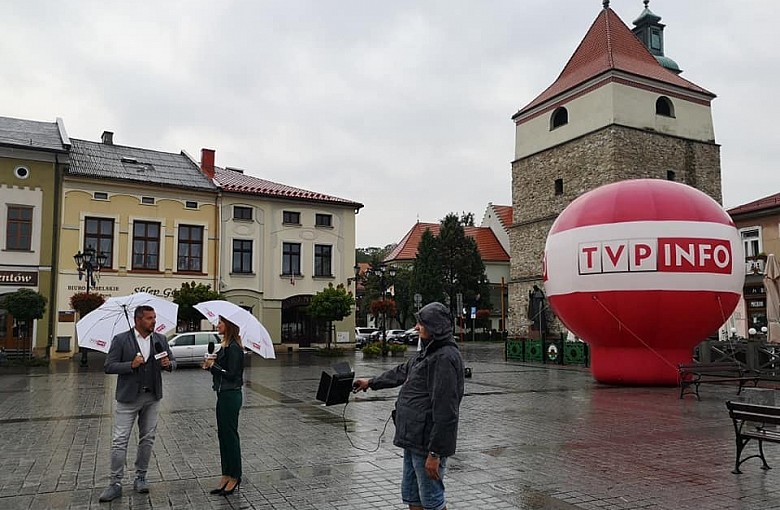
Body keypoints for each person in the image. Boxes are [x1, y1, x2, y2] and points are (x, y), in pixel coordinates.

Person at [354, 302, 465, 510]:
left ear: (435, 327)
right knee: (413, 497)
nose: (416, 327)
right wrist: (371, 382)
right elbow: (401, 371)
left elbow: (446, 411)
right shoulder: (428, 352)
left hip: (427, 443)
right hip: (413, 438)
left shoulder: (444, 358)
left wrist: (435, 453)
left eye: (421, 323)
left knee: (432, 500)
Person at [99, 305, 175, 502]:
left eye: (155, 317)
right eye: (150, 318)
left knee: (147, 439)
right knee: (120, 440)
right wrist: (130, 365)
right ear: (138, 320)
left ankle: (141, 477)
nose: (154, 321)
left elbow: (172, 362)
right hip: (128, 398)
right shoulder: (121, 339)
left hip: (152, 397)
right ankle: (115, 483)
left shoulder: (160, 339)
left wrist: (169, 365)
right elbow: (109, 366)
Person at [202, 316, 244, 496]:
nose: (217, 325)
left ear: (229, 326)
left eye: (220, 323)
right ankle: (226, 474)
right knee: (223, 436)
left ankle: (235, 475)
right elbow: (220, 369)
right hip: (222, 394)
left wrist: (213, 367)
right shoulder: (224, 346)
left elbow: (234, 374)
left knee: (230, 436)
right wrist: (210, 364)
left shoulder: (235, 348)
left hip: (231, 395)